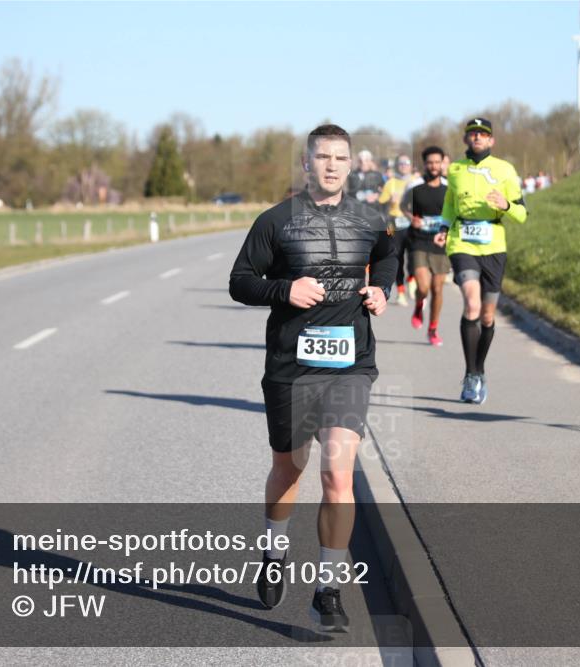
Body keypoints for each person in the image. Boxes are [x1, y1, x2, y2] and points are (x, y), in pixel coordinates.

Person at [229, 124, 396, 631]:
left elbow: (389, 257)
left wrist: (382, 290)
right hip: (291, 368)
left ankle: (327, 589)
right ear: (306, 164)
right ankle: (275, 548)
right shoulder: (274, 222)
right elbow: (240, 281)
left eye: (340, 158)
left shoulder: (373, 220)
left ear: (351, 165)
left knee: (337, 474)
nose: (330, 166)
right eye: (322, 157)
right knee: (290, 468)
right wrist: (283, 290)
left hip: (350, 365)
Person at [434, 118, 527, 403]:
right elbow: (450, 202)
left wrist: (506, 205)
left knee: (487, 316)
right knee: (471, 303)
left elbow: (522, 215)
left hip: (494, 245)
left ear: (491, 141)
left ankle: (480, 370)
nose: (477, 137)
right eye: (473, 134)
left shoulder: (505, 170)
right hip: (462, 242)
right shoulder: (456, 169)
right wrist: (443, 227)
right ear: (466, 140)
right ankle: (471, 374)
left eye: (483, 134)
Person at [401, 145, 449, 346]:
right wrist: (412, 218)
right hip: (418, 241)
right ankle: (420, 304)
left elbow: (454, 213)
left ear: (443, 163)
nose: (434, 166)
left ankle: (433, 329)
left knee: (438, 289)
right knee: (424, 287)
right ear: (425, 164)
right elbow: (403, 207)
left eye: (437, 162)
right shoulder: (415, 188)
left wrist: (447, 230)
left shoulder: (449, 189)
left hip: (440, 243)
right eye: (430, 162)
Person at [378, 154, 418, 306]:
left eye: (406, 163)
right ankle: (401, 292)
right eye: (400, 163)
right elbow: (380, 203)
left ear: (410, 166)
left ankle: (412, 279)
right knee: (398, 258)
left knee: (415, 256)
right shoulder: (391, 183)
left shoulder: (415, 182)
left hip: (411, 223)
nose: (403, 165)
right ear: (397, 166)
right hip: (395, 223)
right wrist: (389, 200)